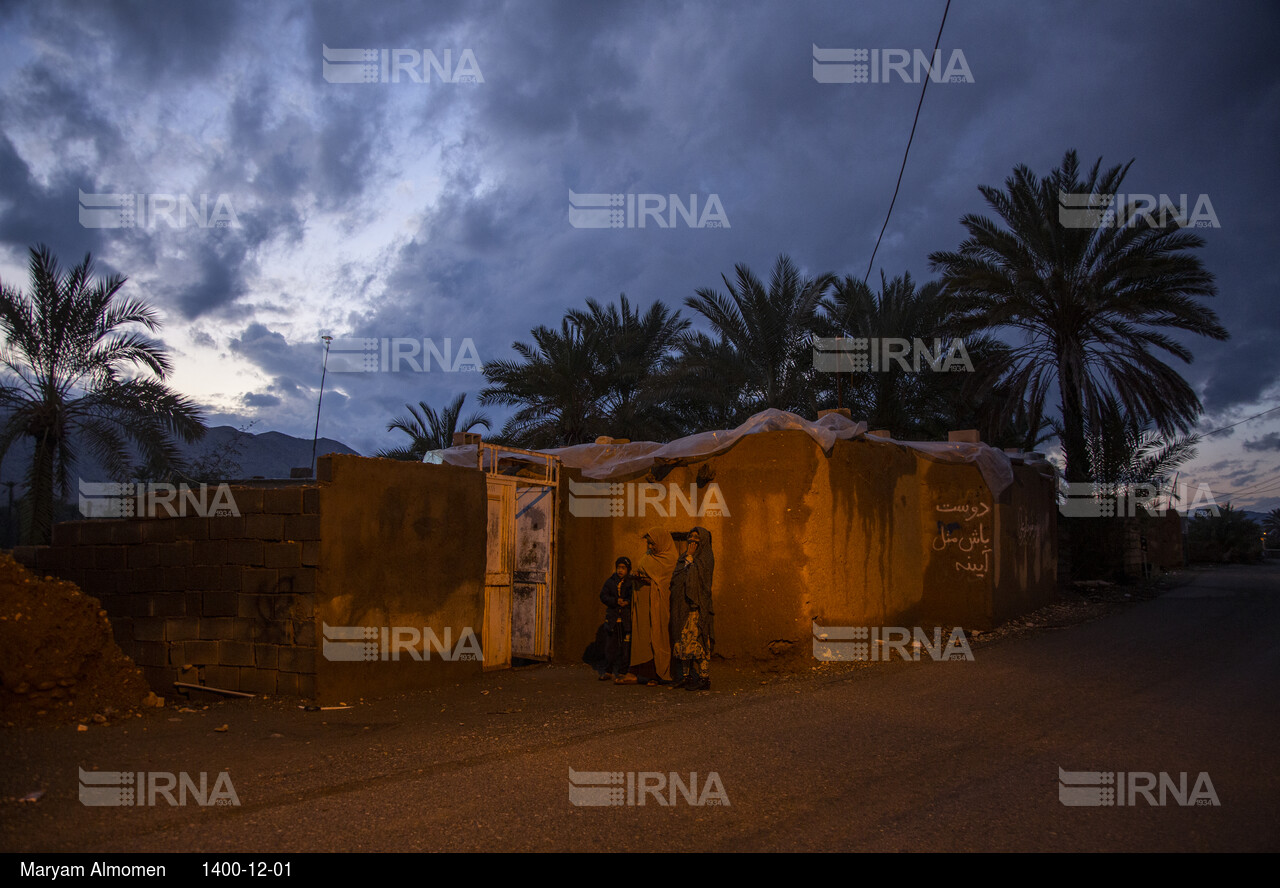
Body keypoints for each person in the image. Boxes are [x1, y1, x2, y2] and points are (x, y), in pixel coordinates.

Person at [629, 527, 675, 686]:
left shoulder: (670, 559)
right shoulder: (649, 556)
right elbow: (645, 571)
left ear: (661, 542)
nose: (649, 547)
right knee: (645, 638)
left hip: (659, 605)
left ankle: (658, 674)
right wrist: (637, 575)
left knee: (658, 635)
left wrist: (651, 582)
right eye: (648, 544)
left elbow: (667, 583)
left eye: (652, 544)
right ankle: (643, 673)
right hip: (643, 606)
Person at [670, 526, 714, 691]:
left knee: (699, 642)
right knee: (682, 641)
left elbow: (701, 581)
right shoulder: (684, 558)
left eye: (697, 537)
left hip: (697, 608)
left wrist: (690, 560)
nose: (692, 540)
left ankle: (704, 678)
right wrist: (687, 559)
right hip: (683, 608)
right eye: (691, 536)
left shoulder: (706, 557)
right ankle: (686, 676)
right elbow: (677, 579)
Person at [599, 556, 633, 683]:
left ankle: (623, 672)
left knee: (625, 648)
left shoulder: (630, 583)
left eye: (623, 568)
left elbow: (634, 597)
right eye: (619, 567)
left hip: (626, 621)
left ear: (628, 570)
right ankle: (608, 671)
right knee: (610, 648)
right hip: (613, 621)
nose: (620, 570)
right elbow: (603, 596)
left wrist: (627, 602)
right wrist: (615, 601)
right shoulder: (610, 582)